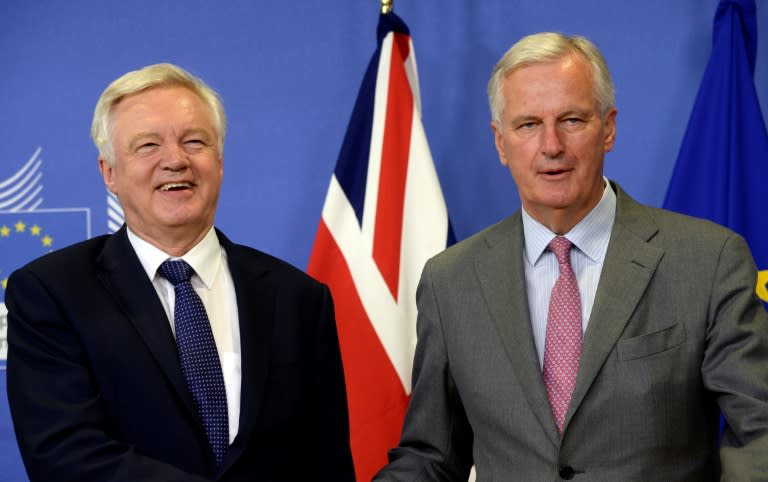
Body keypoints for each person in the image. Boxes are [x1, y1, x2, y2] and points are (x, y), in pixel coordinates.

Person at [374, 32, 768, 480]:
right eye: (527, 125)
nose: (552, 146)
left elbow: (761, 434)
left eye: (572, 120)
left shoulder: (707, 261)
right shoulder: (451, 281)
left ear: (609, 128)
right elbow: (430, 457)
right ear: (500, 142)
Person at [5, 63, 355, 481]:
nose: (175, 160)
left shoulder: (298, 296)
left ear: (220, 163)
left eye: (194, 141)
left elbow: (326, 460)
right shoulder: (51, 293)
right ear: (109, 173)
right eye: (148, 145)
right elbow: (66, 457)